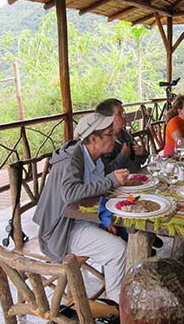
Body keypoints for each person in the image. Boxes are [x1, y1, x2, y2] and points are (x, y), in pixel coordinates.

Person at [33, 112, 129, 303]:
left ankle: (123, 292)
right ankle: (115, 305)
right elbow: (71, 193)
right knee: (118, 250)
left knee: (127, 233)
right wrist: (111, 180)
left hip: (81, 220)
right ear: (93, 139)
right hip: (61, 230)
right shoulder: (72, 159)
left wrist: (104, 218)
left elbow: (93, 195)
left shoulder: (96, 158)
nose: (115, 138)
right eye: (110, 134)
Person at [96, 98, 148, 174]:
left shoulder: (124, 133)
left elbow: (141, 160)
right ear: (108, 119)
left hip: (137, 178)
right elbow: (105, 172)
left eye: (123, 112)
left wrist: (142, 153)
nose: (124, 115)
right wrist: (123, 155)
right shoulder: (102, 141)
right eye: (119, 113)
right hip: (119, 184)